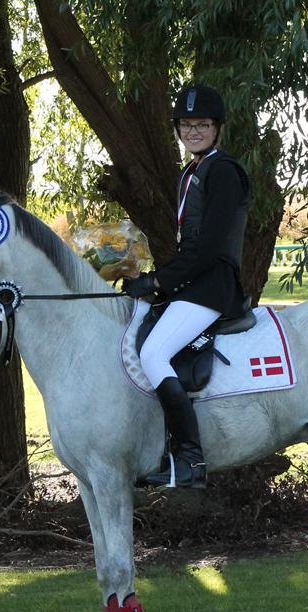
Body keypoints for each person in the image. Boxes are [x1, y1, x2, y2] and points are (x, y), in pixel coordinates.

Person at [121, 84, 250, 488]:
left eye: (202, 124)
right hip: (193, 284)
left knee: (154, 352)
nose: (193, 131)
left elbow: (210, 246)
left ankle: (190, 460)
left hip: (212, 285)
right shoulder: (191, 173)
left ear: (217, 128)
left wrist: (159, 279)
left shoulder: (224, 171)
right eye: (187, 124)